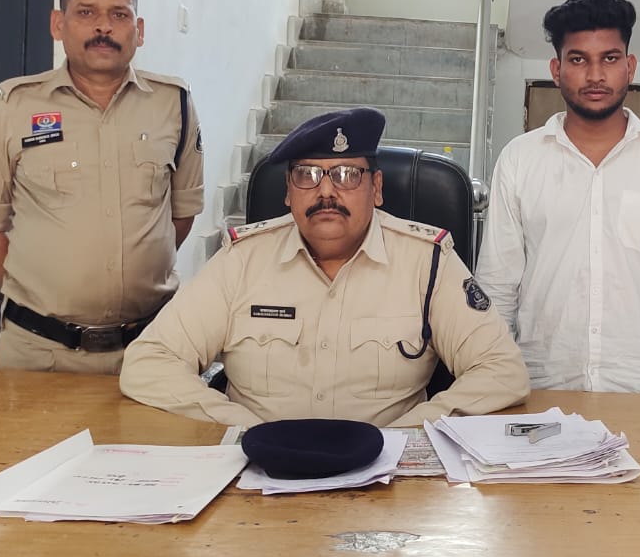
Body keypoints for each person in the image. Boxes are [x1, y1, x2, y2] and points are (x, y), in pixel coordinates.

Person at [120, 107, 530, 426]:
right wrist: (241, 429)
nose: (327, 191)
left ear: (377, 188)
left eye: (348, 175)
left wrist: (405, 435)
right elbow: (149, 361)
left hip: (388, 479)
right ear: (288, 192)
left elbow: (502, 371)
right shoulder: (242, 260)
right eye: (307, 175)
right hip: (258, 473)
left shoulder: (427, 261)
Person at [0, 0, 202, 374]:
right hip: (39, 353)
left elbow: (181, 214)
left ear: (139, 30)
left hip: (149, 348)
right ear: (58, 24)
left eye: (119, 14)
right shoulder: (12, 106)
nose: (103, 27)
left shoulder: (173, 104)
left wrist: (129, 274)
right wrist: (40, 294)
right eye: (86, 12)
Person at [476, 0, 640, 394]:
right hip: (540, 388)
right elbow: (497, 287)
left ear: (629, 67)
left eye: (609, 58)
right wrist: (492, 389)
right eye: (578, 59)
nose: (595, 75)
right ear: (556, 70)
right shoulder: (520, 160)